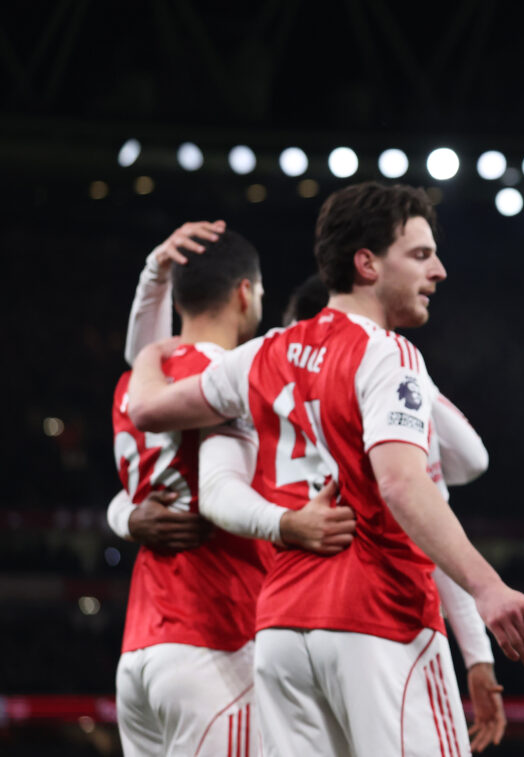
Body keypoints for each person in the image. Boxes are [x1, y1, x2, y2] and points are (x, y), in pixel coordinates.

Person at [126, 183, 524, 756]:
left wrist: (152, 356)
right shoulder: (389, 354)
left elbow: (147, 410)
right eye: (421, 255)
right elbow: (407, 483)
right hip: (380, 617)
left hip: (280, 631)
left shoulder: (262, 353)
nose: (440, 272)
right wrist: (488, 588)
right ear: (367, 264)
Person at [109, 222, 356, 756]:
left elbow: (142, 357)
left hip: (140, 652)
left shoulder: (135, 382)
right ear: (246, 291)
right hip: (216, 639)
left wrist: (123, 516)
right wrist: (290, 524)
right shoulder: (236, 376)